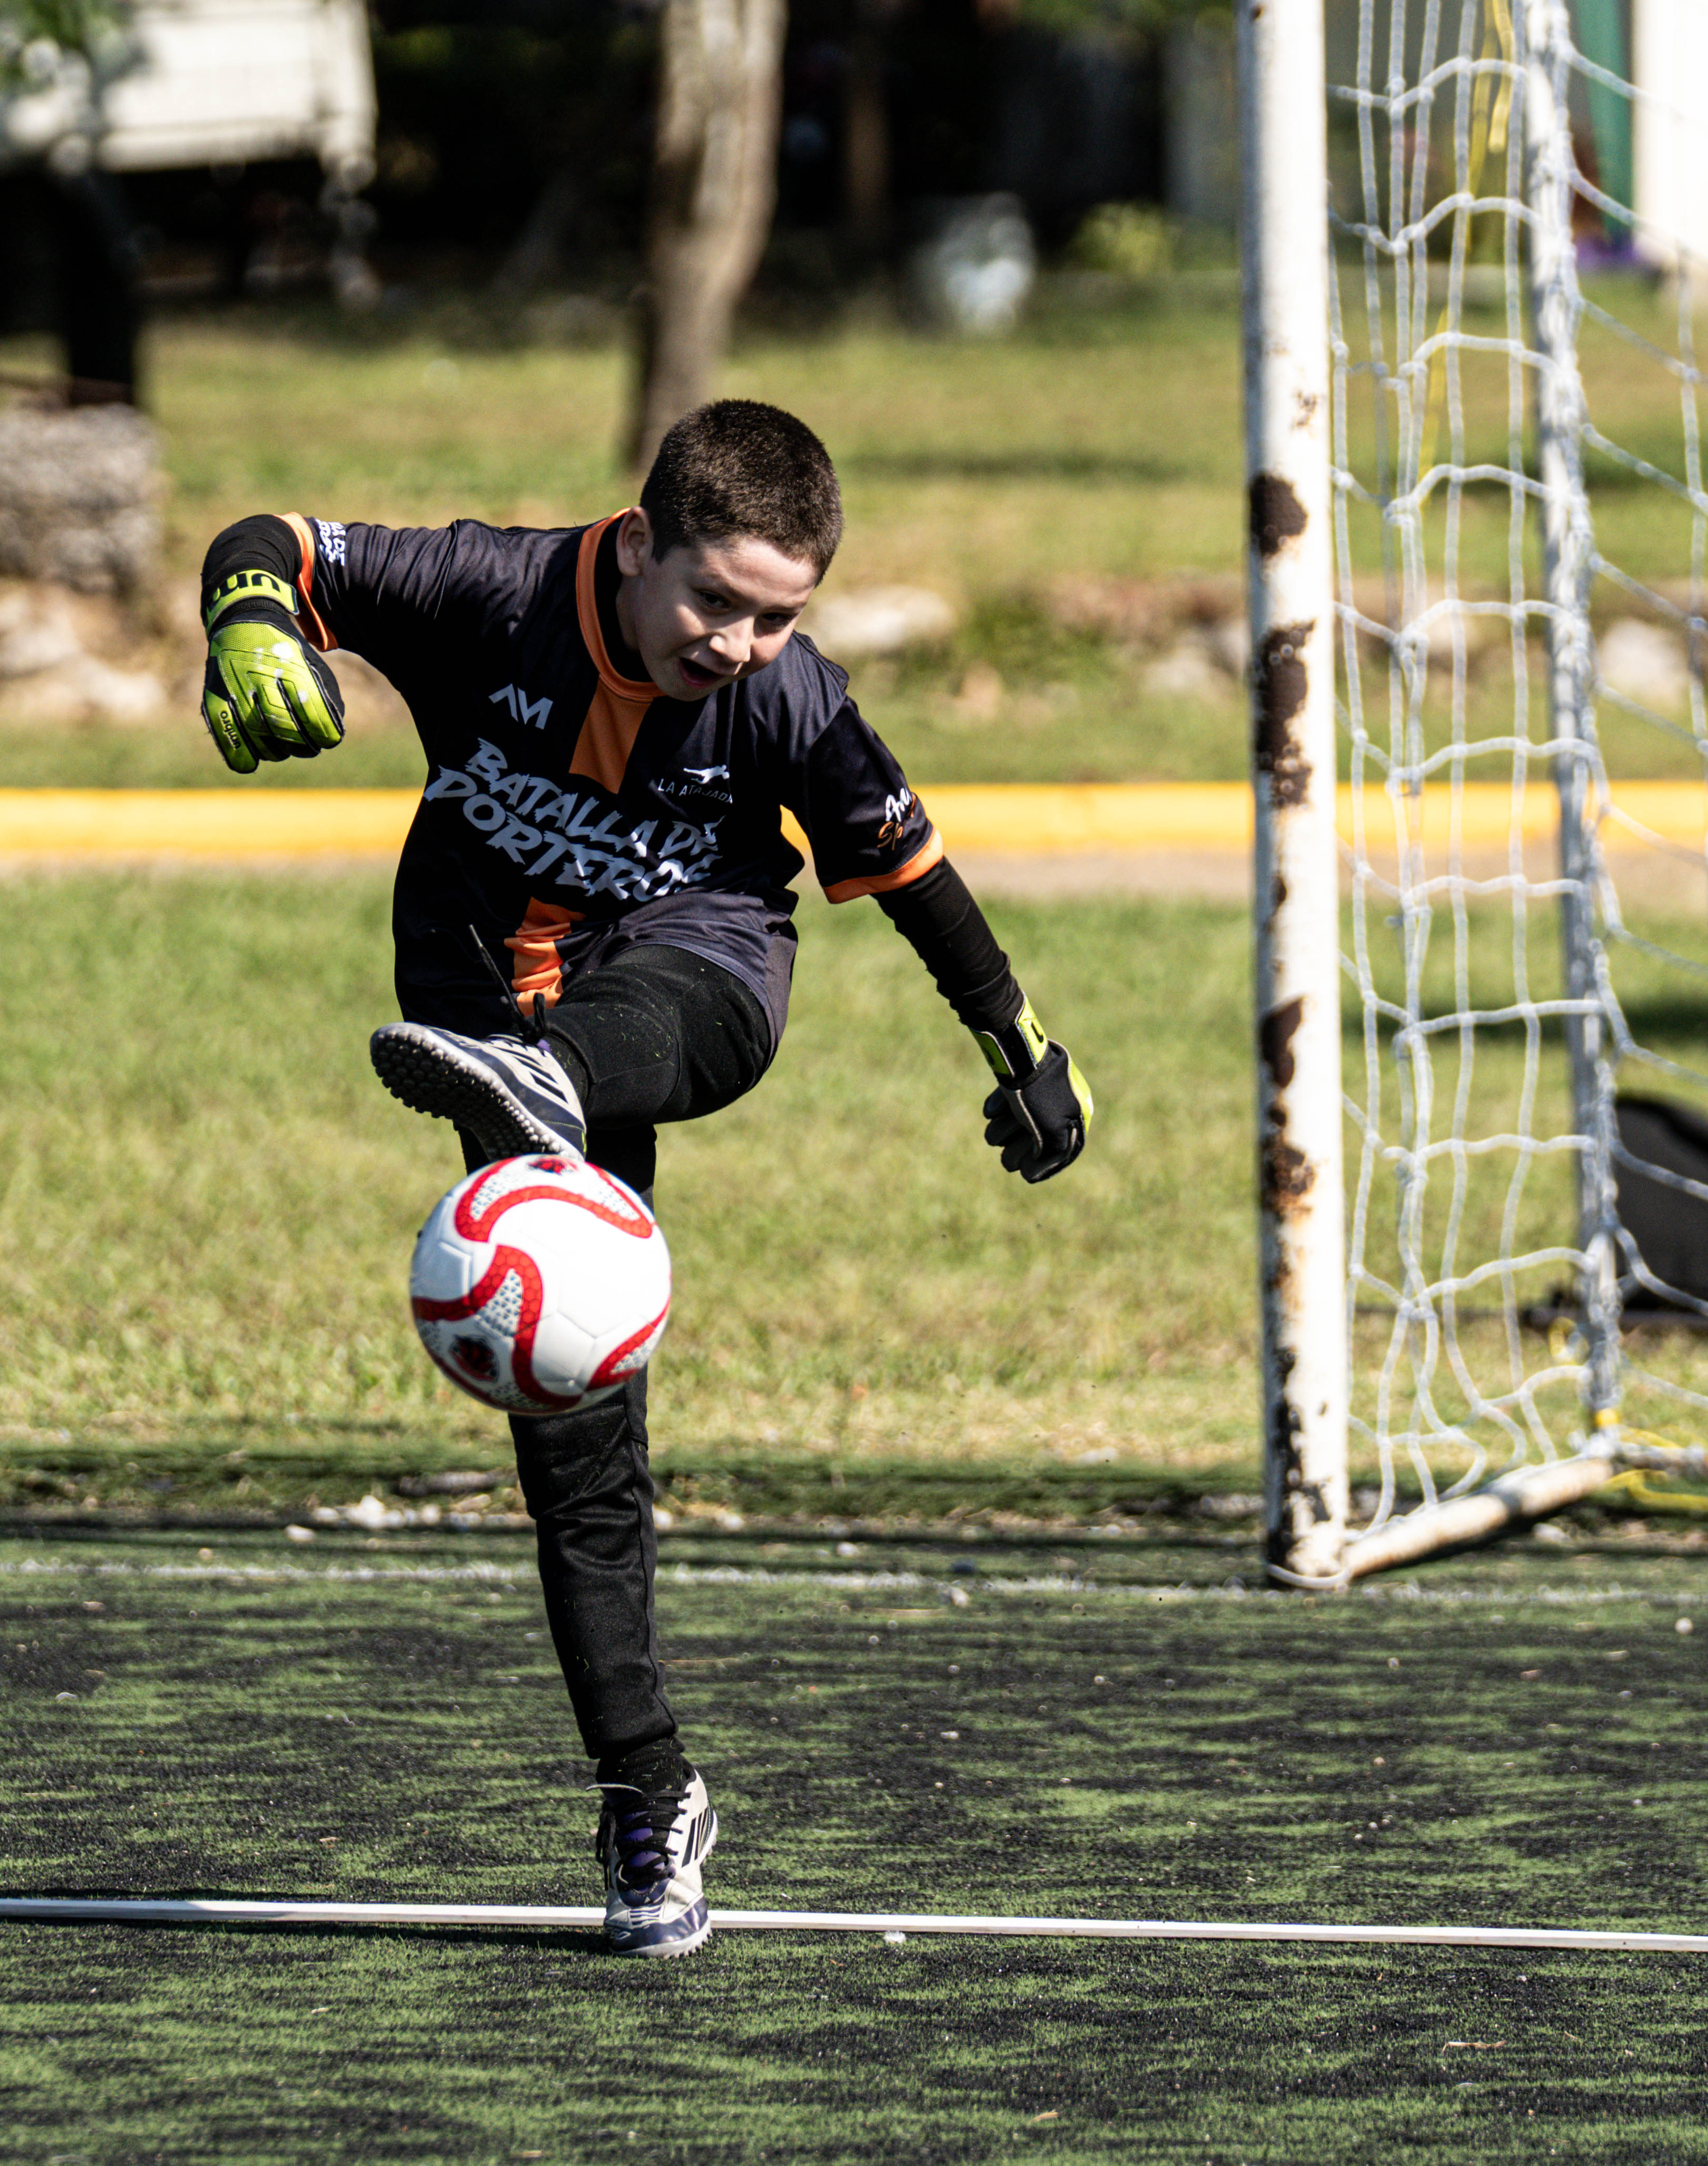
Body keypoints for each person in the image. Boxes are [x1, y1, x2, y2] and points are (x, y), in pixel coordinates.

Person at [194, 399, 1091, 1958]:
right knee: (576, 1427)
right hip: (480, 991)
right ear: (637, 543)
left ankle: (550, 1088)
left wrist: (1021, 1043)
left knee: (658, 1007)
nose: (739, 644)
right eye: (715, 601)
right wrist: (250, 623)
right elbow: (271, 543)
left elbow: (913, 876)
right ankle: (648, 1789)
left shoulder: (787, 698)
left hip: (698, 970)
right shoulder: (491, 592)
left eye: (777, 615)